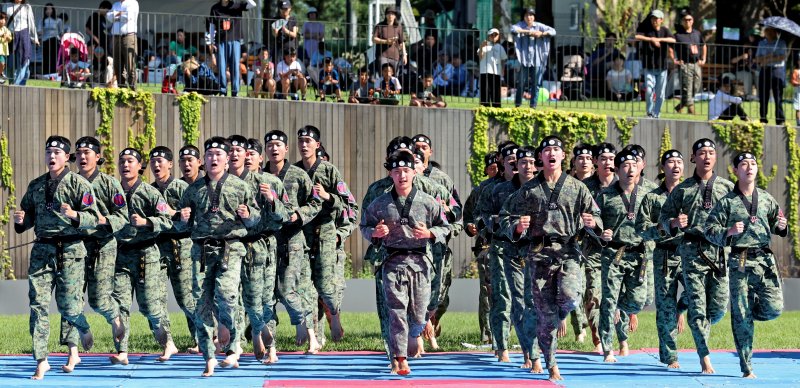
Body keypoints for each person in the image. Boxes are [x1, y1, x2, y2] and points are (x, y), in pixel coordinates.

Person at [497, 135, 602, 381]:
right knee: (544, 316)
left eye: (556, 149)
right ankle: (551, 365)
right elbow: (504, 217)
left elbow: (596, 215)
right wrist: (517, 226)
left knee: (570, 297)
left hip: (568, 253)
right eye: (547, 151)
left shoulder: (577, 187)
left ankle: (560, 316)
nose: (551, 154)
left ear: (563, 156)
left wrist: (593, 222)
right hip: (538, 256)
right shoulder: (528, 190)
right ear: (540, 159)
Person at [15, 136, 100, 380]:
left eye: (56, 152)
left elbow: (93, 218)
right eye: (48, 152)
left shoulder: (78, 184)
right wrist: (21, 222)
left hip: (70, 251)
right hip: (42, 251)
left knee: (68, 306)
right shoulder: (36, 186)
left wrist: (75, 215)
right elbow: (28, 217)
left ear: (66, 157)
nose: (51, 156)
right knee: (38, 305)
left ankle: (81, 328)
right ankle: (41, 359)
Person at [175, 137, 261, 376]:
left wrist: (248, 214)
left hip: (230, 248)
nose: (214, 158)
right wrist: (182, 219)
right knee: (200, 304)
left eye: (218, 155)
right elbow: (181, 227)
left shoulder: (240, 186)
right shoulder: (192, 190)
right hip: (201, 251)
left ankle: (233, 345)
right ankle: (209, 356)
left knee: (227, 294)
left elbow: (256, 218)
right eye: (210, 154)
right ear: (204, 160)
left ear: (226, 160)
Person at [360, 151, 450, 376]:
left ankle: (415, 333)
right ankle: (399, 359)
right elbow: (364, 225)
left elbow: (446, 226)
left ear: (414, 173)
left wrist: (429, 233)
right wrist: (375, 233)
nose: (402, 176)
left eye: (406, 171)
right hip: (393, 263)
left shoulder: (428, 202)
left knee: (419, 314)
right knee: (396, 312)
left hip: (420, 263)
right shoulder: (380, 203)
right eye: (397, 171)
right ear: (390, 173)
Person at [704, 151, 787, 379]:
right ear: (735, 170)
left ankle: (747, 316)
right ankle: (746, 365)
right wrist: (728, 232)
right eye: (743, 164)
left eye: (753, 163)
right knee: (740, 314)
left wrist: (781, 225)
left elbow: (778, 225)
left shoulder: (767, 198)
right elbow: (709, 231)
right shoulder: (727, 202)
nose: (749, 167)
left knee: (774, 308)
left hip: (765, 262)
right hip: (740, 262)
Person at [659, 138, 733, 374]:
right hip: (691, 251)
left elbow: (739, 215)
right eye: (701, 153)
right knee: (698, 306)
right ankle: (704, 356)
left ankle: (692, 319)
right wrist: (673, 222)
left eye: (711, 152)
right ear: (693, 158)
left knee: (719, 306)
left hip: (719, 252)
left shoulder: (728, 188)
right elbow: (663, 218)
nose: (707, 156)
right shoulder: (683, 189)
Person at [58, 137, 128, 373]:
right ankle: (73, 352)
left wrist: (103, 220)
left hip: (103, 245)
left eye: (88, 152)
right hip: (73, 246)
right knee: (71, 296)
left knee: (98, 299)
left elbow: (122, 217)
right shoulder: (66, 183)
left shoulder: (109, 184)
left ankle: (114, 316)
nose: (83, 157)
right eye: (79, 153)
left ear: (98, 156)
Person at [111, 147, 178, 366]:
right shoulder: (113, 191)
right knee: (120, 304)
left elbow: (167, 220)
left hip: (146, 254)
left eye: (130, 161)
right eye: (122, 161)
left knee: (149, 305)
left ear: (140, 166)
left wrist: (147, 222)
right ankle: (122, 351)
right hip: (120, 255)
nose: (125, 165)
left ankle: (168, 341)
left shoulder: (150, 193)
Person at [226, 135, 288, 361]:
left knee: (261, 299)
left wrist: (271, 200)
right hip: (229, 247)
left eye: (247, 152)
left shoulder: (268, 182)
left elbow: (286, 215)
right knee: (230, 297)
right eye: (231, 151)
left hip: (260, 247)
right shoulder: (219, 182)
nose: (240, 156)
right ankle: (235, 344)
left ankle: (267, 342)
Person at [263, 130, 323, 357]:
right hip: (268, 242)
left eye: (278, 144)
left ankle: (310, 332)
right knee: (266, 295)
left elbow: (315, 203)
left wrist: (299, 215)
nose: (274, 149)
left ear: (286, 149)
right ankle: (271, 348)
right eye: (270, 145)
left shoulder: (298, 175)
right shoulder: (260, 177)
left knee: (287, 290)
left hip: (293, 241)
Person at [294, 126, 355, 345]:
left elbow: (348, 204)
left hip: (326, 235)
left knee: (326, 287)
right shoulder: (295, 171)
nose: (304, 145)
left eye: (308, 141)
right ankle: (315, 338)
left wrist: (328, 196)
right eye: (300, 141)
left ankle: (335, 314)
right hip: (302, 236)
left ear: (317, 145)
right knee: (306, 288)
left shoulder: (329, 171)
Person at [637, 150, 689, 368]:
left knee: (699, 294)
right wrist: (668, 225)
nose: (675, 166)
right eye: (670, 162)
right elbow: (641, 229)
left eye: (679, 161)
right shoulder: (652, 197)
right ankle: (670, 356)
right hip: (664, 254)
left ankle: (681, 309)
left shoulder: (692, 193)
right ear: (662, 168)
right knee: (665, 306)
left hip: (689, 253)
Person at [596, 149, 647, 363]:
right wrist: (601, 231)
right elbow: (593, 221)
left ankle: (620, 310)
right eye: (625, 165)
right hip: (613, 254)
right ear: (617, 169)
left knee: (638, 301)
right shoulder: (606, 195)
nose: (630, 169)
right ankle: (608, 348)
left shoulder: (647, 194)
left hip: (639, 255)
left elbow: (658, 220)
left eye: (634, 164)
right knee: (608, 301)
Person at [148, 146, 201, 354]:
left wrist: (175, 213)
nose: (156, 165)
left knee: (186, 297)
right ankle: (167, 342)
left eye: (161, 160)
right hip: (157, 247)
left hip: (182, 245)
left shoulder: (182, 188)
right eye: (153, 161)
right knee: (157, 296)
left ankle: (204, 338)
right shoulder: (150, 190)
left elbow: (196, 217)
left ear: (170, 164)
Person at [462, 151, 499, 345]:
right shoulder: (481, 190)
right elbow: (468, 214)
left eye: (498, 167)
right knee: (487, 292)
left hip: (510, 247)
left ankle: (503, 334)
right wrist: (470, 226)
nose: (496, 171)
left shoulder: (515, 186)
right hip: (486, 245)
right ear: (486, 170)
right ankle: (487, 336)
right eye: (491, 168)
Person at [510, 7, 556, 109]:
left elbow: (553, 31)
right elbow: (513, 29)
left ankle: (533, 106)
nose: (529, 17)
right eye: (527, 15)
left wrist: (542, 34)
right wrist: (527, 32)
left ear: (534, 17)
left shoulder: (539, 26)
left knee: (536, 84)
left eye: (531, 15)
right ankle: (517, 105)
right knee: (521, 83)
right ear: (524, 17)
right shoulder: (520, 25)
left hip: (537, 60)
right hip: (524, 60)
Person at [209, 0, 256, 96]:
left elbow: (253, 4)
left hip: (235, 40)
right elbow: (212, 26)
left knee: (234, 66)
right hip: (220, 40)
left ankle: (235, 92)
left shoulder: (237, 5)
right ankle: (223, 90)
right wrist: (211, 41)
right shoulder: (215, 8)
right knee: (221, 66)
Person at [634, 9, 675, 118]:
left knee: (661, 93)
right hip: (649, 66)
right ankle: (649, 112)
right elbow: (637, 36)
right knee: (648, 90)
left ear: (661, 20)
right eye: (653, 18)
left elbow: (673, 40)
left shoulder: (665, 30)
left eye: (657, 18)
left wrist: (660, 40)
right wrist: (651, 39)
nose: (654, 20)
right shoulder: (647, 30)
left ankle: (656, 114)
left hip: (662, 67)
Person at [672, 11, 705, 114]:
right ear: (682, 22)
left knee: (696, 86)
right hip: (685, 64)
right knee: (687, 87)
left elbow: (703, 45)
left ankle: (680, 106)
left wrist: (703, 58)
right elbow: (670, 49)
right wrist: (674, 60)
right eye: (685, 20)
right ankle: (691, 110)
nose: (687, 22)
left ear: (693, 21)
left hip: (696, 64)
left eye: (689, 20)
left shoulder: (697, 33)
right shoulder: (677, 35)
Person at [754, 27, 788, 125]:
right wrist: (769, 57)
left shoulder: (781, 43)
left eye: (768, 31)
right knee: (763, 96)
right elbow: (757, 59)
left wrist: (768, 59)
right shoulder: (762, 43)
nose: (766, 33)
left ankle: (780, 119)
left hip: (777, 70)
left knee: (778, 96)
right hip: (764, 71)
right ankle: (763, 118)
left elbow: (783, 57)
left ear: (773, 32)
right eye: (765, 31)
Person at [4, 0, 39, 86]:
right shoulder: (6, 6)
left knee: (24, 60)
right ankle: (12, 83)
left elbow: (31, 22)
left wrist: (35, 37)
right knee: (9, 63)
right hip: (10, 35)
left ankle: (17, 86)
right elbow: (3, 22)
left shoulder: (27, 6)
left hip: (23, 35)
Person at [107, 0, 139, 89]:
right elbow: (108, 17)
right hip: (116, 37)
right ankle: (122, 89)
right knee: (117, 66)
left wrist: (115, 16)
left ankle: (133, 90)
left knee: (130, 66)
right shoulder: (116, 4)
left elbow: (128, 16)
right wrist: (120, 14)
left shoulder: (133, 3)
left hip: (128, 36)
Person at [372, 5, 406, 79]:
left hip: (395, 56)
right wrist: (386, 41)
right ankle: (382, 90)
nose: (390, 15)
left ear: (395, 16)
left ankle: (394, 91)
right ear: (386, 15)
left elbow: (402, 42)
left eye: (393, 14)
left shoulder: (399, 27)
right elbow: (374, 39)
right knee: (383, 77)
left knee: (394, 78)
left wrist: (404, 54)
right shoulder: (380, 26)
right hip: (382, 55)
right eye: (389, 13)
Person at [478, 28, 507, 107]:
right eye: (492, 35)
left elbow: (503, 60)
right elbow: (480, 57)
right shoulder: (484, 45)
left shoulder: (500, 47)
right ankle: (484, 108)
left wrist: (503, 70)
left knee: (496, 92)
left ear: (498, 36)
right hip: (485, 71)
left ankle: (496, 108)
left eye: (495, 35)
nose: (493, 36)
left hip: (496, 72)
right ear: (489, 36)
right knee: (485, 91)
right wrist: (481, 47)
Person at [38, 3, 62, 75]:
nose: (48, 11)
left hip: (54, 40)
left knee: (54, 58)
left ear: (53, 10)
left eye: (50, 9)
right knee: (46, 58)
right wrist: (40, 32)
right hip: (45, 41)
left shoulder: (58, 20)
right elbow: (39, 31)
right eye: (46, 9)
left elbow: (61, 32)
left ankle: (54, 73)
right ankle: (46, 74)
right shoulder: (42, 20)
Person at [0, 12, 10, 83]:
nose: (3, 21)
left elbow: (10, 37)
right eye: (1, 19)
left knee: (2, 64)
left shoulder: (5, 29)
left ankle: (0, 74)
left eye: (4, 19)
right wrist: (2, 36)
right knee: (2, 63)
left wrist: (8, 37)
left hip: (2, 51)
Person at [793, 55, 800, 126]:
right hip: (798, 92)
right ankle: (798, 122)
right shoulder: (796, 71)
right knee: (798, 107)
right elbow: (793, 81)